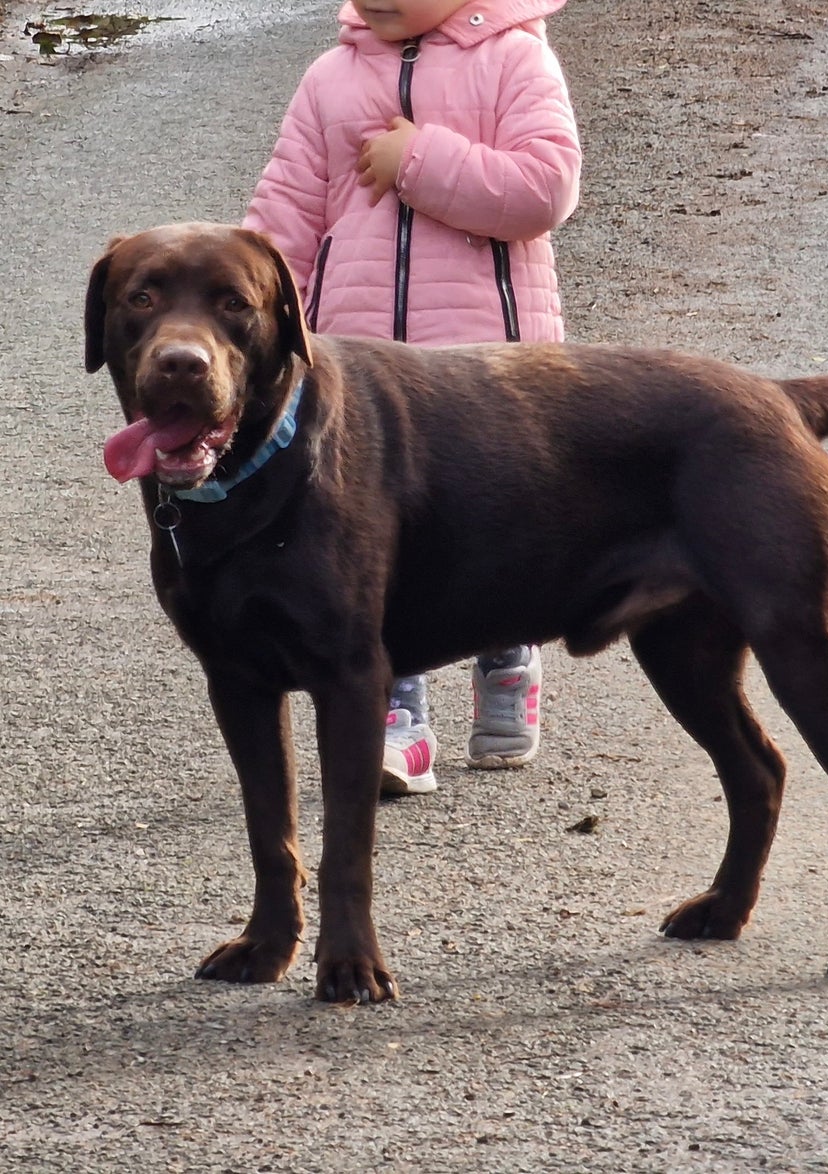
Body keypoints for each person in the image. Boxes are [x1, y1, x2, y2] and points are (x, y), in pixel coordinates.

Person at [243, 0, 581, 794]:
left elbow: (545, 191)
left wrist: (417, 159)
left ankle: (509, 656)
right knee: (374, 546)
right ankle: (397, 718)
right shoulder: (329, 77)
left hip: (488, 372)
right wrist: (246, 322)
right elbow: (284, 218)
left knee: (493, 526)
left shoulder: (516, 60)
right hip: (357, 371)